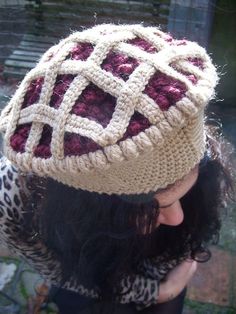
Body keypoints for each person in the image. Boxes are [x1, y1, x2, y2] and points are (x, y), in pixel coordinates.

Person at [0, 24, 234, 314]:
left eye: (181, 197)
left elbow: (182, 241)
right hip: (91, 282)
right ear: (87, 205)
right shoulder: (16, 200)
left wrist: (181, 262)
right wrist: (161, 291)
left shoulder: (190, 145)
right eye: (155, 207)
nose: (178, 218)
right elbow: (58, 271)